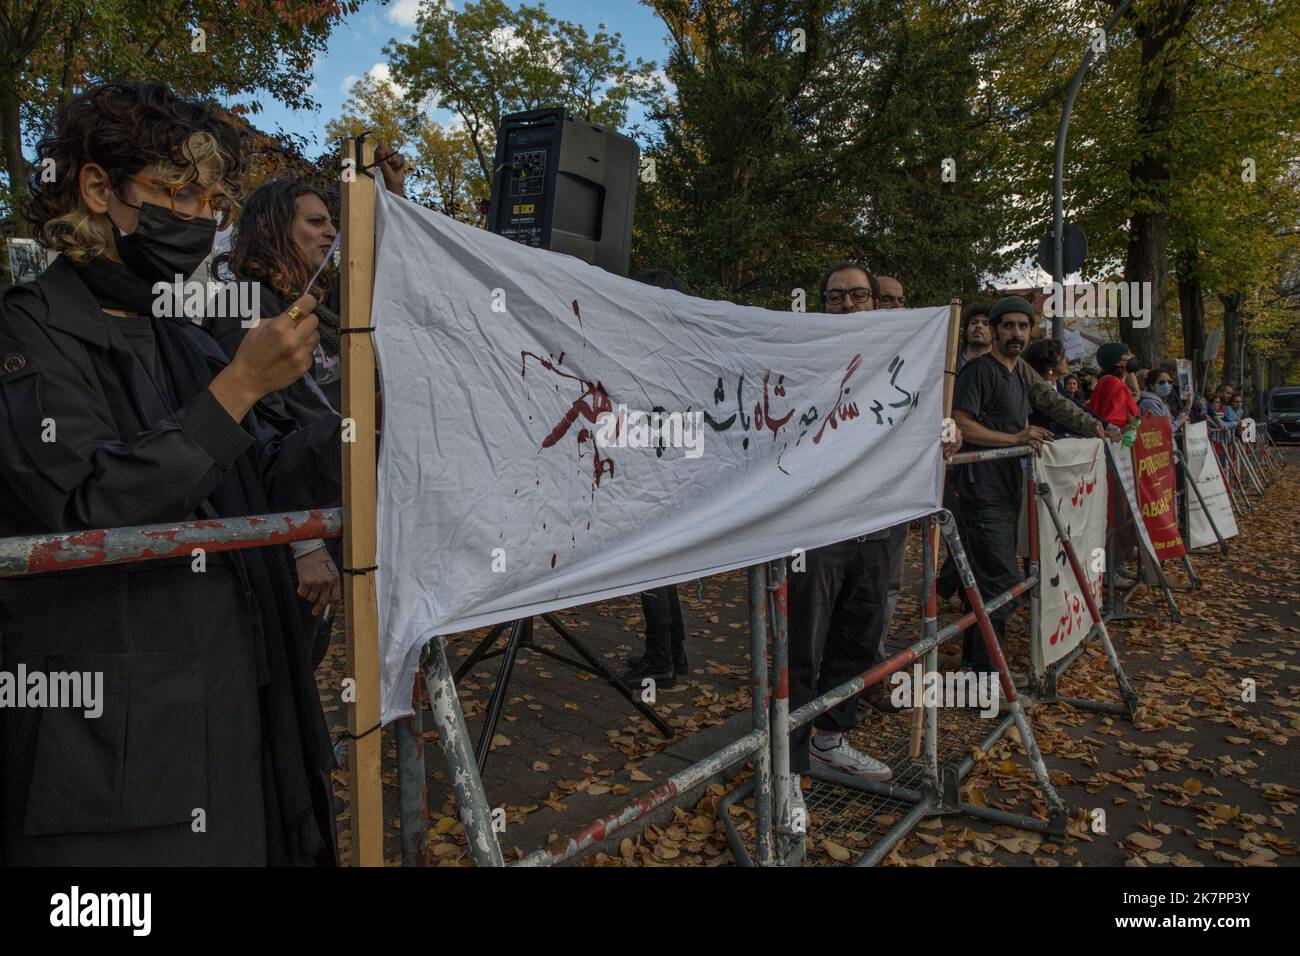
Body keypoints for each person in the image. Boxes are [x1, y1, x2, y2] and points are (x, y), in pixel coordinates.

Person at [0, 81, 340, 866]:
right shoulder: (27, 330)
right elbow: (90, 505)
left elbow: (265, 480)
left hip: (239, 715)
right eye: (177, 193)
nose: (197, 219)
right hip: (119, 758)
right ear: (96, 188)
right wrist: (242, 385)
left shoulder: (181, 337)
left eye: (212, 201)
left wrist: (366, 428)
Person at [785, 260, 903, 806]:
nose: (848, 307)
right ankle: (786, 763)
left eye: (859, 296)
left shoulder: (906, 358)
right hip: (815, 529)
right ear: (821, 304)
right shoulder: (802, 355)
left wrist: (942, 435)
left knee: (857, 639)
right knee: (801, 645)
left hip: (877, 524)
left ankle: (830, 740)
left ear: (877, 302)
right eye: (836, 298)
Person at [950, 297, 1053, 672]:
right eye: (1008, 326)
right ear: (993, 331)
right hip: (980, 493)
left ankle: (974, 669)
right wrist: (1014, 440)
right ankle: (987, 674)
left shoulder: (1016, 375)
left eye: (1023, 327)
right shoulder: (980, 371)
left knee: (985, 582)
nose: (1016, 333)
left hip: (1006, 493)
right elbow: (961, 424)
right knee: (1002, 585)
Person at [621, 267, 690, 687]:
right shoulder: (683, 347)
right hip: (676, 466)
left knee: (649, 564)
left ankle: (661, 659)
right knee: (661, 565)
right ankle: (672, 652)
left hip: (655, 465)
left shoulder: (650, 349)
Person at [1087, 342, 1139, 429]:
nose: (1132, 356)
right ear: (1117, 362)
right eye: (1127, 354)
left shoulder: (1113, 381)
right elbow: (1113, 421)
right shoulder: (1112, 383)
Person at [956, 301, 992, 372]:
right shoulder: (949, 361)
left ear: (994, 331)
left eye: (986, 324)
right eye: (974, 322)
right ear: (966, 329)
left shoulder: (1002, 365)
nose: (979, 326)